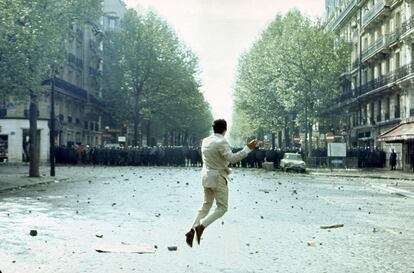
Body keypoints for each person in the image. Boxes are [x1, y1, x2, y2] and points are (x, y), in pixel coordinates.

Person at [185, 119, 257, 247]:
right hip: (218, 177)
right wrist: (247, 149)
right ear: (225, 129)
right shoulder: (221, 141)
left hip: (206, 176)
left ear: (213, 128)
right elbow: (232, 159)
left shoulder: (206, 140)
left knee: (205, 206)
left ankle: (191, 230)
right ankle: (201, 226)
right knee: (222, 208)